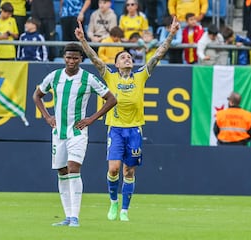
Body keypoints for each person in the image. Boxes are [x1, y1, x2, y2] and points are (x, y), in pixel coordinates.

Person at [74, 17, 180, 221]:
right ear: (115, 63)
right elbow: (95, 58)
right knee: (113, 168)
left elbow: (158, 55)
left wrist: (171, 34)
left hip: (134, 130)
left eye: (129, 57)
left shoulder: (140, 76)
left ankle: (124, 210)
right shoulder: (110, 76)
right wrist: (83, 41)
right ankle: (113, 201)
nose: (127, 59)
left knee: (129, 171)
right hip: (115, 128)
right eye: (123, 57)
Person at [33, 43, 117, 227]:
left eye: (75, 58)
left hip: (78, 132)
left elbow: (112, 99)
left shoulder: (88, 78)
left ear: (81, 59)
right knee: (62, 171)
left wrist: (92, 118)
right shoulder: (54, 76)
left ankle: (75, 218)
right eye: (68, 57)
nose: (71, 61)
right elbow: (37, 95)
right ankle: (68, 216)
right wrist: (47, 117)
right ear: (64, 57)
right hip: (58, 133)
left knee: (73, 168)